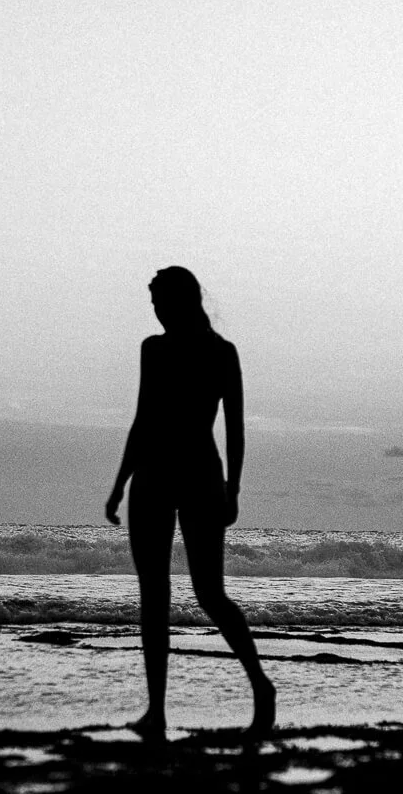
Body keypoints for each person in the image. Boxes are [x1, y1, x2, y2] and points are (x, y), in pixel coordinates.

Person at [105, 266, 276, 743]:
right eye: (152, 302)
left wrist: (234, 489)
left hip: (202, 476)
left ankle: (261, 686)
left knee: (209, 592)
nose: (155, 310)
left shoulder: (221, 353)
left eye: (160, 300)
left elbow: (236, 428)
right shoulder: (152, 349)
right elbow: (143, 419)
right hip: (153, 477)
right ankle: (156, 710)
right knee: (153, 595)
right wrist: (120, 483)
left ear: (182, 300)